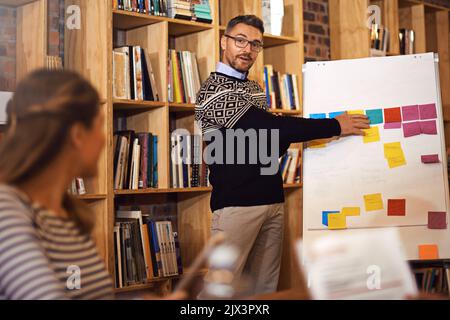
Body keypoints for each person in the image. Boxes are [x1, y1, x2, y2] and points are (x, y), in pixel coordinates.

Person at [195, 15, 370, 296]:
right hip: (236, 207)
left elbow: (274, 142)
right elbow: (273, 129)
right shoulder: (212, 91)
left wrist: (276, 134)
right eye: (240, 40)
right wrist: (335, 125)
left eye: (255, 44)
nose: (247, 49)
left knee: (263, 292)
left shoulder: (253, 89)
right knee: (218, 293)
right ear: (223, 42)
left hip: (272, 200)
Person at [0, 70, 188, 300]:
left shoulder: (68, 213)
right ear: (77, 135)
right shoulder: (7, 208)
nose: (104, 140)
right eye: (99, 127)